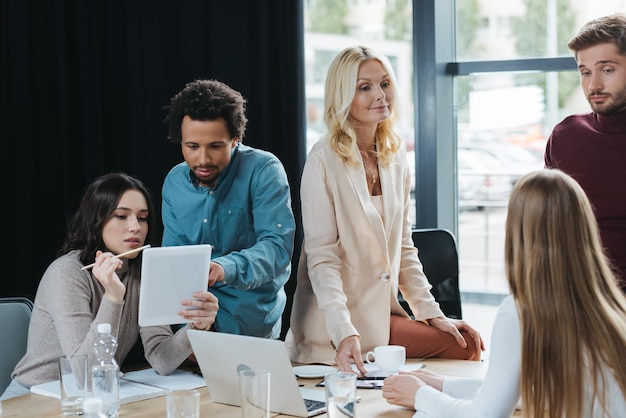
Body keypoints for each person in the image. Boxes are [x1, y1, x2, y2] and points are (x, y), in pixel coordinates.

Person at [284, 46, 484, 376]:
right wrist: (343, 329)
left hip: (381, 315)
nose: (380, 95)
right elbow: (322, 258)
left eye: (386, 84)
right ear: (344, 94)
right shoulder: (322, 159)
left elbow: (404, 247)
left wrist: (432, 313)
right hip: (336, 320)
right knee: (464, 349)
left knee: (466, 343)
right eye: (365, 87)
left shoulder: (394, 156)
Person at [382, 169, 626, 418]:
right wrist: (442, 385)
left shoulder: (521, 311)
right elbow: (523, 390)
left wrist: (420, 395)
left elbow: (486, 415)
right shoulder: (611, 306)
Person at [1, 173, 218, 401]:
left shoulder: (144, 272)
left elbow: (161, 360)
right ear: (97, 220)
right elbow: (84, 371)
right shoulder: (67, 272)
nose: (135, 227)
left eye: (142, 218)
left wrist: (195, 327)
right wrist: (113, 298)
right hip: (34, 397)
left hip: (95, 397)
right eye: (121, 216)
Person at [161, 79, 296, 339]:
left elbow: (277, 248)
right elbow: (173, 259)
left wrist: (225, 268)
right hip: (192, 324)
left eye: (215, 146)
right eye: (192, 147)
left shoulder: (264, 170)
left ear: (235, 140)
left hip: (249, 323)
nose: (202, 159)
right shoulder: (174, 183)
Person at [544, 12, 626, 293]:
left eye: (607, 69)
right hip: (575, 297)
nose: (594, 86)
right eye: (585, 72)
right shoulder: (565, 136)